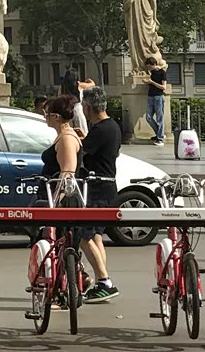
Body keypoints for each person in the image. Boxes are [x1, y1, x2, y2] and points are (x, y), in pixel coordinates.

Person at [26, 95, 83, 320]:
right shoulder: (64, 135)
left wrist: (56, 201)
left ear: (57, 117)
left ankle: (63, 293)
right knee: (58, 246)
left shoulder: (67, 138)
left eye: (47, 114)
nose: (45, 117)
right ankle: (70, 286)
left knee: (58, 245)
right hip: (54, 195)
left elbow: (67, 172)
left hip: (61, 198)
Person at [78, 90, 122, 302]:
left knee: (83, 234)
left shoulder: (99, 129)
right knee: (96, 236)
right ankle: (101, 282)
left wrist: (76, 139)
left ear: (88, 108)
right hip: (108, 186)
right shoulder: (112, 126)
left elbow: (82, 151)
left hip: (96, 188)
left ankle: (104, 281)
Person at [59, 65, 94, 135]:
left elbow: (59, 98)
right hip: (77, 109)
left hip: (66, 110)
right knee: (82, 131)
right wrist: (88, 80)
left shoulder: (62, 86)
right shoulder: (79, 85)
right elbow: (92, 84)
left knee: (69, 132)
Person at [145, 56, 169, 146]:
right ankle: (159, 133)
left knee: (160, 117)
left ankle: (160, 138)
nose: (148, 68)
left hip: (158, 96)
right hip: (150, 96)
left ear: (154, 64)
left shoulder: (162, 72)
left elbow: (163, 87)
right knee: (148, 117)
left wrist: (152, 82)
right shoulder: (152, 72)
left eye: (149, 66)